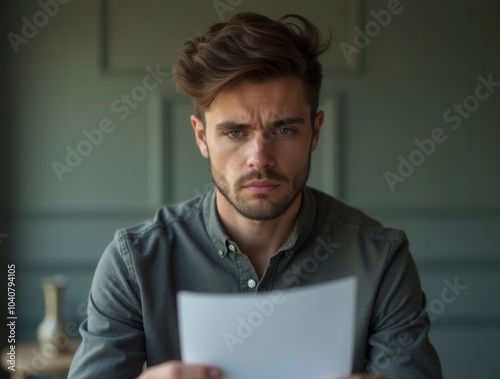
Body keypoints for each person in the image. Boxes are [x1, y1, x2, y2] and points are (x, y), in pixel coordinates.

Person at [68, 12, 442, 379]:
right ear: (201, 136)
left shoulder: (380, 259)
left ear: (314, 132)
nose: (259, 160)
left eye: (283, 130)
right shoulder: (134, 262)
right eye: (234, 133)